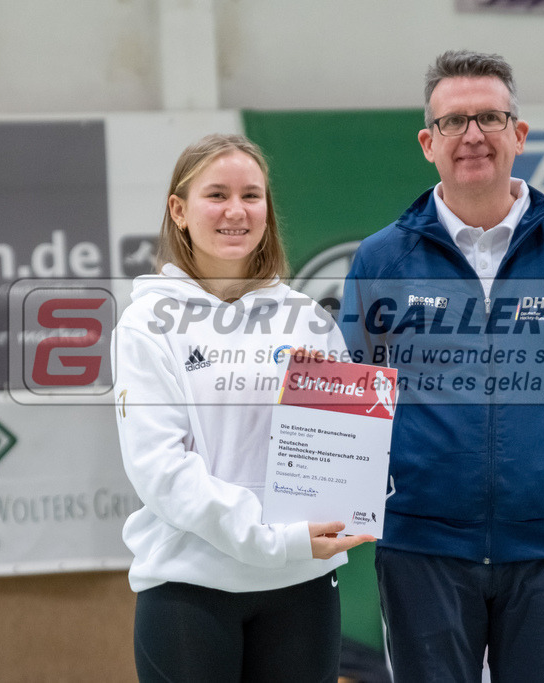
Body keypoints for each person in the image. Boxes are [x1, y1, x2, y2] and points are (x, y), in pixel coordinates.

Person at [338, 50, 544, 682]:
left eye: (489, 118)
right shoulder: (382, 259)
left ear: (519, 135)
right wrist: (395, 492)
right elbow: (352, 400)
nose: (472, 135)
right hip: (421, 545)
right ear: (428, 142)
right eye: (453, 122)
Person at [111, 133, 374, 682]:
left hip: (300, 589)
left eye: (251, 195)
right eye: (217, 195)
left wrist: (355, 495)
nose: (236, 210)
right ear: (179, 211)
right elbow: (162, 472)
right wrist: (272, 538)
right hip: (189, 592)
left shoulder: (307, 320)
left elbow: (340, 455)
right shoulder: (146, 325)